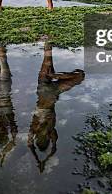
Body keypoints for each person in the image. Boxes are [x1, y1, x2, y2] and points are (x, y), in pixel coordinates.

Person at [27, 42, 84, 173]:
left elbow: (53, 149)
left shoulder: (48, 132)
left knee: (79, 75)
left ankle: (54, 75)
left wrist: (42, 161)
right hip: (45, 93)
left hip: (51, 95)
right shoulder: (36, 131)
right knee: (48, 58)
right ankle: (54, 75)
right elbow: (32, 146)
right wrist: (39, 160)